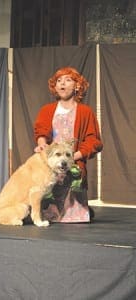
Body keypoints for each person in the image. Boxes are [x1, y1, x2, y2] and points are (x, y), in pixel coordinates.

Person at [34, 66, 103, 223]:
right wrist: (42, 144)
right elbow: (41, 133)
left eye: (67, 80)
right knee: (46, 212)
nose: (62, 83)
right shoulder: (47, 110)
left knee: (73, 219)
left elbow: (94, 141)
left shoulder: (85, 112)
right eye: (58, 81)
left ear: (77, 86)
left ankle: (78, 209)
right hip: (51, 168)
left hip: (73, 169)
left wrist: (74, 157)